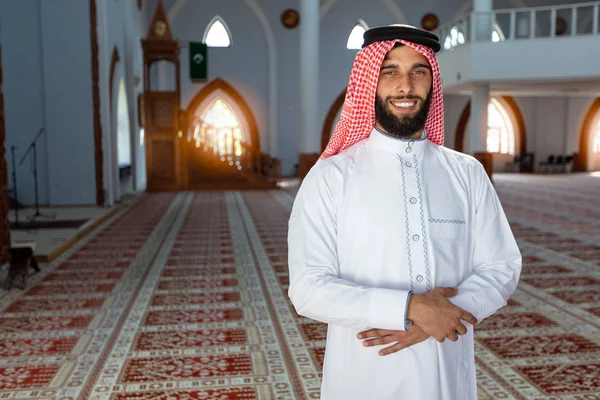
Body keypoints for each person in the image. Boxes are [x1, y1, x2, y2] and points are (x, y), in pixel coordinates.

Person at [287, 24, 522, 399]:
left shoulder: (466, 173)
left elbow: (501, 267)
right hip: (366, 375)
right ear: (370, 82)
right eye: (390, 70)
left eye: (419, 71)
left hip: (446, 365)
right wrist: (411, 308)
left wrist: (441, 315)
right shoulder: (332, 177)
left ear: (431, 82)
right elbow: (308, 288)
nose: (405, 85)